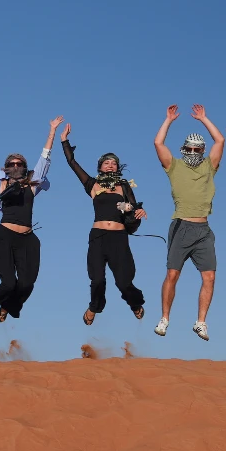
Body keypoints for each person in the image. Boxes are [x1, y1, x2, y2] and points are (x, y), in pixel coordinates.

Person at [0, 113, 62, 323]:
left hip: (28, 240)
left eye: (19, 163)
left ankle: (9, 306)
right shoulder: (0, 181)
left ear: (24, 167)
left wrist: (52, 131)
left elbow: (45, 159)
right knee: (8, 283)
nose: (15, 166)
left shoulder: (32, 184)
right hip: (5, 237)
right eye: (11, 164)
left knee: (26, 284)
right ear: (6, 167)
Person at [60, 122, 148, 325]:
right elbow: (72, 162)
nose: (110, 165)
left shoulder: (123, 186)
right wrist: (64, 140)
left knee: (124, 281)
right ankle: (94, 307)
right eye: (106, 162)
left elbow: (133, 210)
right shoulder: (92, 184)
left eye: (113, 163)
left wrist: (138, 212)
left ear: (118, 168)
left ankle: (135, 304)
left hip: (118, 238)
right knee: (97, 280)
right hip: (98, 236)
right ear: (100, 167)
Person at [153, 104, 225, 341]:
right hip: (181, 226)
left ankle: (201, 322)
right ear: (183, 149)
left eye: (197, 148)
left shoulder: (209, 166)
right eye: (190, 148)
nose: (193, 151)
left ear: (202, 150)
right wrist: (168, 120)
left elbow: (220, 140)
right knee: (173, 274)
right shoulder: (174, 166)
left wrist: (204, 118)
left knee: (210, 277)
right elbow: (158, 144)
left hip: (204, 229)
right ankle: (165, 318)